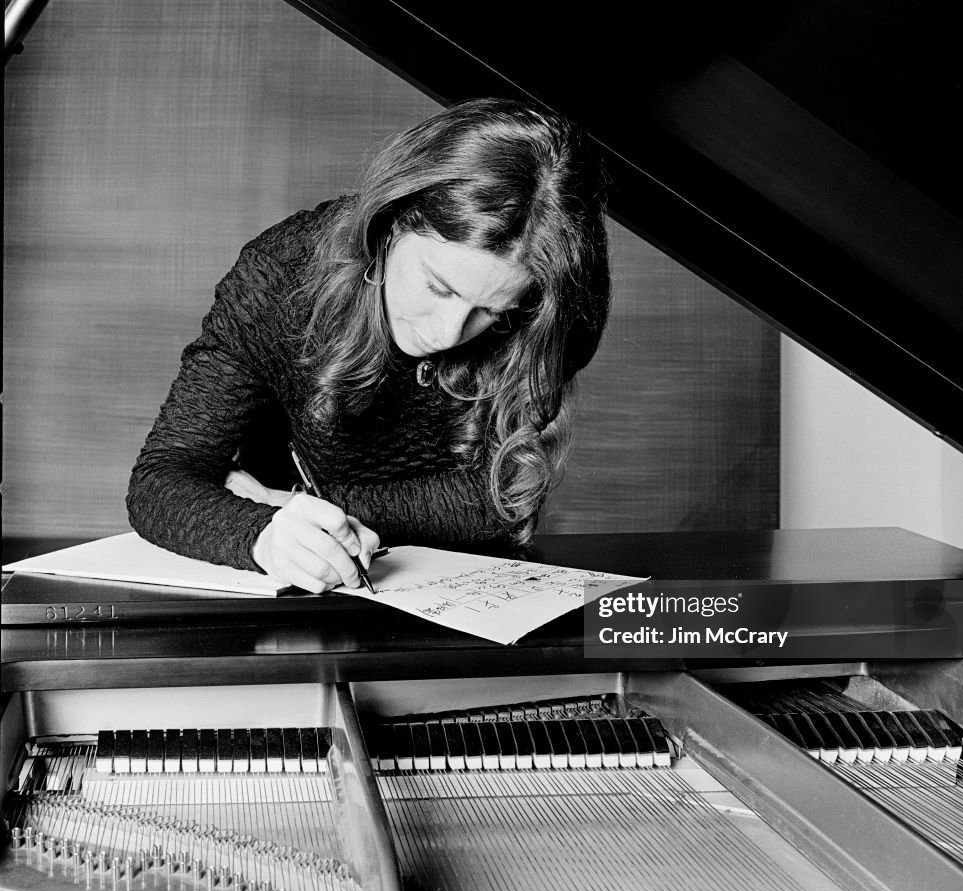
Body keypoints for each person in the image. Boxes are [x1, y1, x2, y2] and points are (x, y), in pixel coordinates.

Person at [127, 98, 611, 594]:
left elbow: (497, 502)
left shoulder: (549, 312)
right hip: (303, 588)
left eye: (493, 312)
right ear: (386, 227)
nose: (447, 333)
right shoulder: (279, 278)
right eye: (439, 287)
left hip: (473, 591)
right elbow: (163, 478)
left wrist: (288, 504)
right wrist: (260, 534)